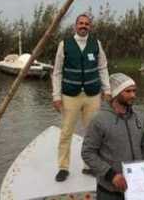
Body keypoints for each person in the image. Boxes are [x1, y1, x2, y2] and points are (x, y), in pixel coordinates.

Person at [51, 13, 111, 182]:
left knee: (92, 133)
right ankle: (63, 167)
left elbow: (103, 68)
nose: (83, 26)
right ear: (75, 26)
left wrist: (107, 90)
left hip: (93, 94)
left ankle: (89, 166)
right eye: (81, 23)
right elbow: (57, 72)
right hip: (70, 95)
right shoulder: (64, 45)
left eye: (87, 24)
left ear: (90, 27)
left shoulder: (96, 44)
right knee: (66, 132)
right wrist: (56, 96)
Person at [81, 73, 144, 200]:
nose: (133, 95)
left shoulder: (139, 118)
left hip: (137, 191)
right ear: (116, 93)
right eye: (128, 91)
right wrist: (111, 175)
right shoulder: (99, 120)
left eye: (134, 91)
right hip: (109, 192)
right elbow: (88, 152)